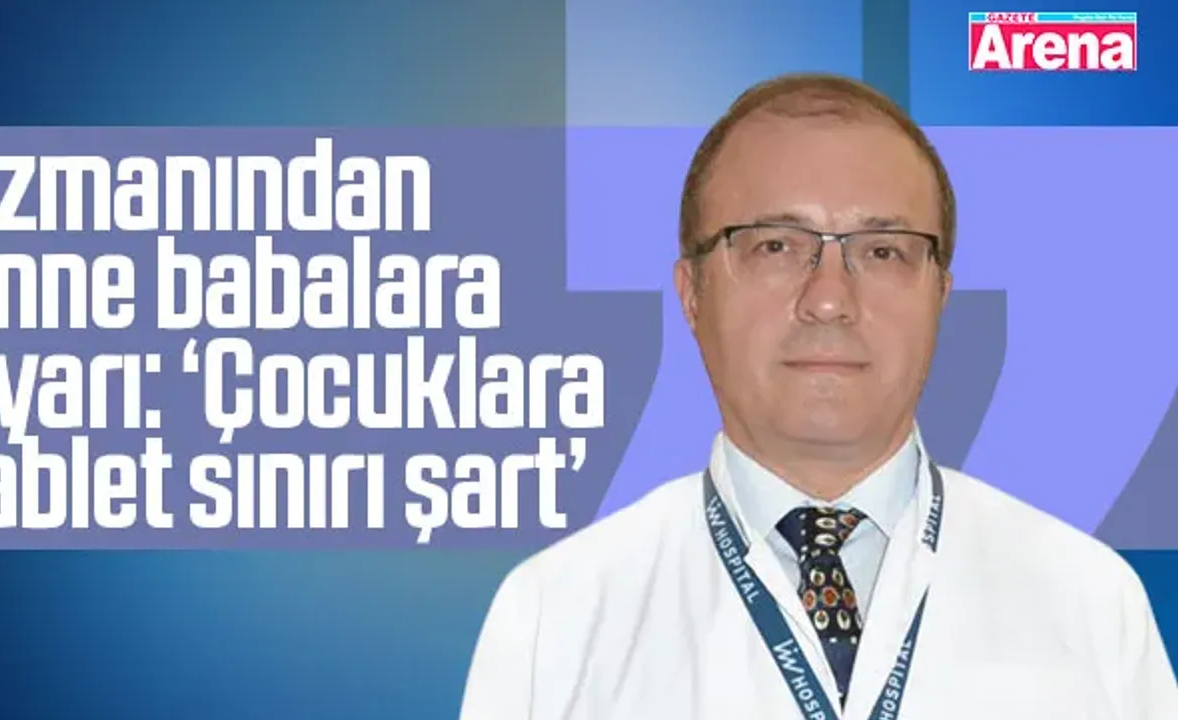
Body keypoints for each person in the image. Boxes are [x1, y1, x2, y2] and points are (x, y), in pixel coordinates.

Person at [457, 73, 1178, 720]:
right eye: (775, 245)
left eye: (883, 251)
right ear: (692, 293)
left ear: (941, 294)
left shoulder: (1091, 603)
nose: (829, 299)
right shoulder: (556, 616)